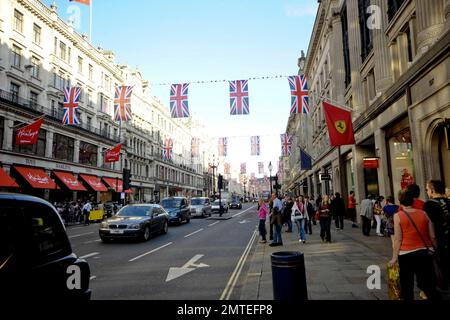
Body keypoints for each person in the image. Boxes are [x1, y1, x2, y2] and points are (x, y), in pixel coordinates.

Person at [389, 189, 440, 300]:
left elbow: (398, 239)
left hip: (406, 254)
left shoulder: (398, 216)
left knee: (407, 285)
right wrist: (435, 249)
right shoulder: (424, 214)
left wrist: (394, 258)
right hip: (425, 253)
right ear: (413, 200)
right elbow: (433, 236)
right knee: (427, 284)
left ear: (400, 201)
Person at [423, 180, 450, 290]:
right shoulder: (449, 202)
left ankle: (443, 284)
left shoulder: (429, 204)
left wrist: (432, 244)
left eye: (427, 189)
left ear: (432, 190)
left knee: (441, 266)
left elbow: (429, 228)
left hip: (440, 241)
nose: (427, 192)